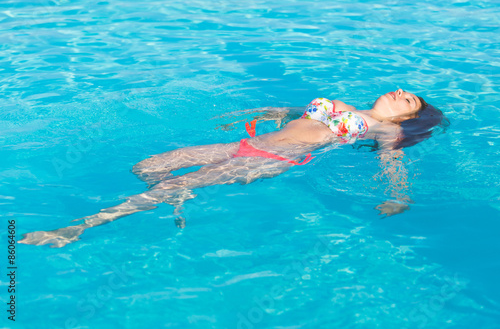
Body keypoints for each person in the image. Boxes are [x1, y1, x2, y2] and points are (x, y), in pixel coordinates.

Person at [19, 89, 447, 248]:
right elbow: (293, 111)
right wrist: (251, 112)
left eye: (408, 100)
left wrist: (397, 195)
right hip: (241, 144)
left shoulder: (381, 131)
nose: (401, 91)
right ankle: (175, 196)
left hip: (271, 159)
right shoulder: (342, 104)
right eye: (403, 89)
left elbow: (393, 164)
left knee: (164, 187)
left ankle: (77, 228)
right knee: (148, 166)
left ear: (407, 120)